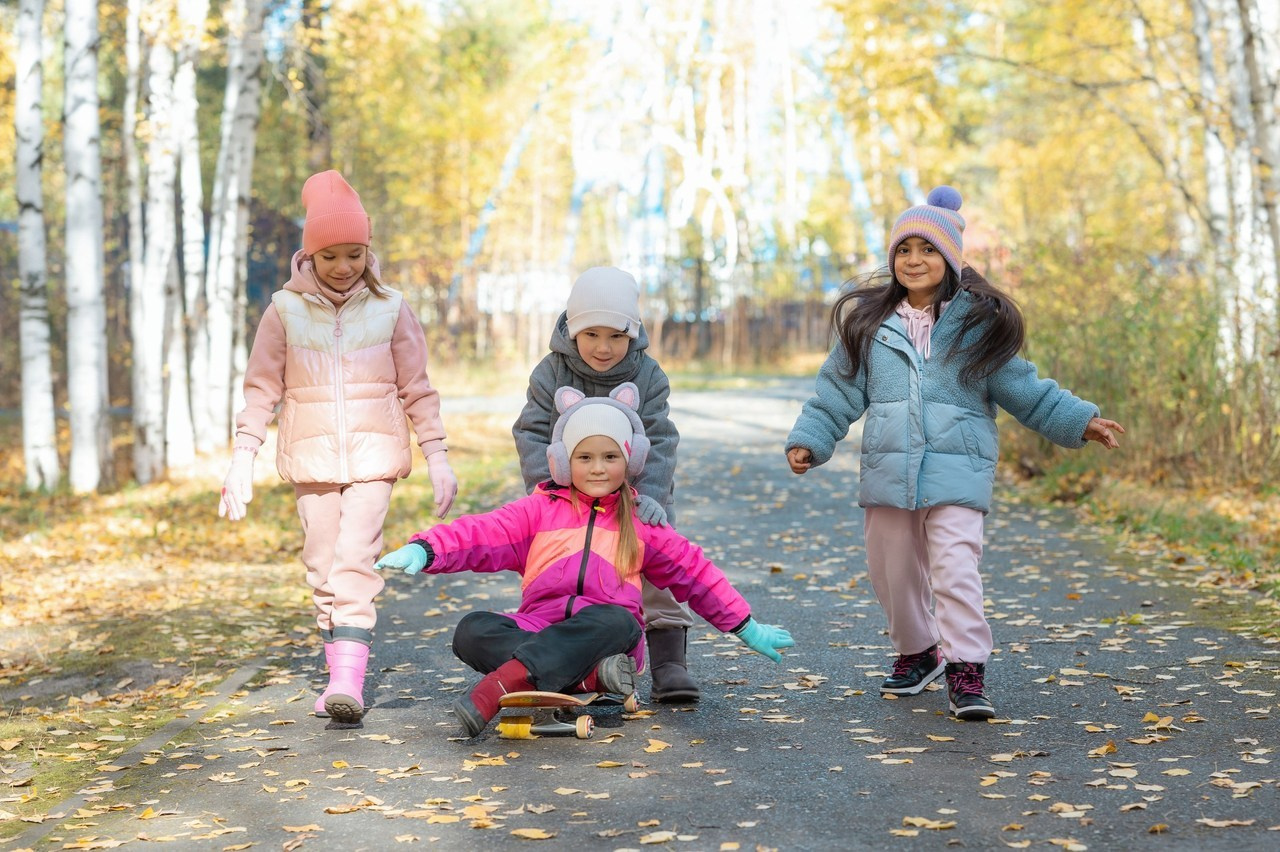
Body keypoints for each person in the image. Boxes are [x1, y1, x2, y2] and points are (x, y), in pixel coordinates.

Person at [785, 186, 1124, 721]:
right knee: (890, 569)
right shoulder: (870, 327)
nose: (914, 260)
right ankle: (919, 652)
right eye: (904, 250)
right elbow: (836, 392)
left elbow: (1026, 389)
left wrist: (1078, 420)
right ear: (892, 258)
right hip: (888, 468)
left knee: (954, 567)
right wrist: (811, 439)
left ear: (950, 259)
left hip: (958, 468)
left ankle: (967, 667)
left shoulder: (977, 326)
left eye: (927, 250)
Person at [378, 383, 794, 737]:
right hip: (543, 629)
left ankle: (497, 689)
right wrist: (425, 548)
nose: (597, 469)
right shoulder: (538, 511)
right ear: (563, 461)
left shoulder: (640, 520)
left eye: (610, 457)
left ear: (629, 461)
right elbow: (482, 533)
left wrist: (745, 625)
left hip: (605, 635)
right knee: (472, 630)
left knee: (620, 618)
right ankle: (591, 679)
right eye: (585, 457)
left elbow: (695, 574)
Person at [217, 169, 459, 725]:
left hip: (376, 460)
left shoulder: (393, 308)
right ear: (310, 256)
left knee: (354, 560)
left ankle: (349, 681)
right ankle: (336, 676)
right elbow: (261, 390)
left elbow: (417, 388)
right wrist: (241, 460)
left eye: (355, 253)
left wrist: (437, 457)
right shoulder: (283, 311)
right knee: (322, 567)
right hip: (311, 460)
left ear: (368, 251)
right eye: (331, 256)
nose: (344, 266)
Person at [512, 267, 700, 703]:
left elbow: (660, 437)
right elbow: (532, 433)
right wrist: (552, 493)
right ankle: (574, 662)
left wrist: (649, 498)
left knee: (655, 569)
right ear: (572, 330)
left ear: (632, 334)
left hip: (635, 499)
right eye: (591, 334)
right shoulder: (550, 373)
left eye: (616, 335)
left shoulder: (648, 375)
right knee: (569, 576)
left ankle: (670, 661)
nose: (603, 347)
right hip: (571, 500)